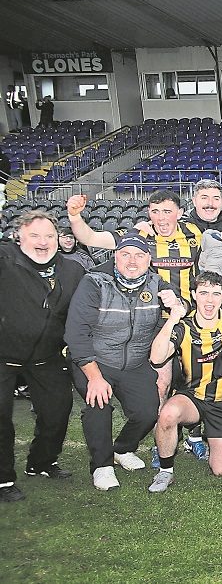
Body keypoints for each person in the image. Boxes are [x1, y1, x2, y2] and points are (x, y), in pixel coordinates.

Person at [65, 234, 173, 491]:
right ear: (116, 257)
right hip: (95, 360)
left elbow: (184, 305)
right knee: (98, 404)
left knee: (147, 412)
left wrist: (177, 300)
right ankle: (101, 466)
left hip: (135, 362)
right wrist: (94, 376)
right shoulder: (94, 283)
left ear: (149, 259)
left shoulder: (157, 283)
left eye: (139, 255)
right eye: (126, 254)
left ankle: (122, 448)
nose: (132, 261)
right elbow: (76, 331)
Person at [0, 212, 86, 503]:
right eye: (34, 235)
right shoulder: (4, 260)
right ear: (18, 237)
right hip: (3, 356)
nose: (43, 242)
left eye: (49, 236)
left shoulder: (71, 270)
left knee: (58, 410)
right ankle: (3, 479)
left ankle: (41, 462)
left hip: (46, 356)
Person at [145, 271, 222, 492]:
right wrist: (173, 319)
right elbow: (156, 358)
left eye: (215, 294)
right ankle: (165, 471)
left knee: (221, 470)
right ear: (193, 295)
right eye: (203, 293)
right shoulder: (184, 326)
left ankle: (207, 438)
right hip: (193, 398)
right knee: (168, 413)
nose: (209, 300)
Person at [67, 191, 205, 304]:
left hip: (188, 313)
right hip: (151, 315)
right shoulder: (138, 234)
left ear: (180, 213)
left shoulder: (195, 232)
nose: (161, 218)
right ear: (149, 212)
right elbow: (90, 238)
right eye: (155, 211)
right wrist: (74, 216)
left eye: (167, 211)